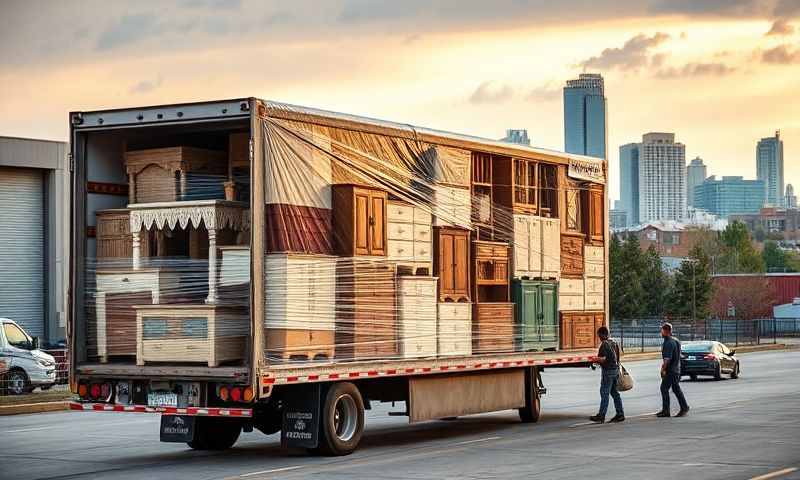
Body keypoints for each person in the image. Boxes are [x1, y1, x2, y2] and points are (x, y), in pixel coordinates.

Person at [590, 326, 625, 423]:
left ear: (602, 335)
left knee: (604, 393)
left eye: (599, 335)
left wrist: (594, 359)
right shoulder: (614, 342)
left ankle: (601, 415)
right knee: (614, 393)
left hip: (608, 372)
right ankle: (620, 414)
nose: (599, 338)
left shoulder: (604, 344)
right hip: (615, 371)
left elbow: (603, 359)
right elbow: (618, 356)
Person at [657, 322, 690, 418]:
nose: (661, 332)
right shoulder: (676, 341)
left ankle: (666, 411)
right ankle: (684, 407)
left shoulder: (668, 343)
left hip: (671, 371)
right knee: (676, 389)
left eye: (662, 330)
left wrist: (663, 369)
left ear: (666, 331)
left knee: (664, 388)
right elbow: (679, 354)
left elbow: (667, 359)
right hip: (677, 369)